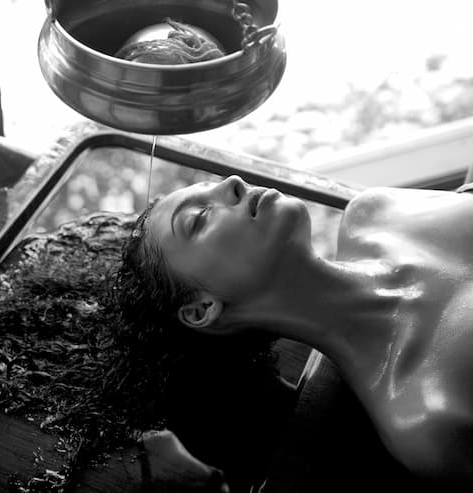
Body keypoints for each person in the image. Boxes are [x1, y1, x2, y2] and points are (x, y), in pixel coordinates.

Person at [114, 174, 473, 491]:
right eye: (199, 217)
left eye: (214, 185)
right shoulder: (429, 417)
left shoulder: (377, 213)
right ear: (202, 309)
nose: (233, 183)